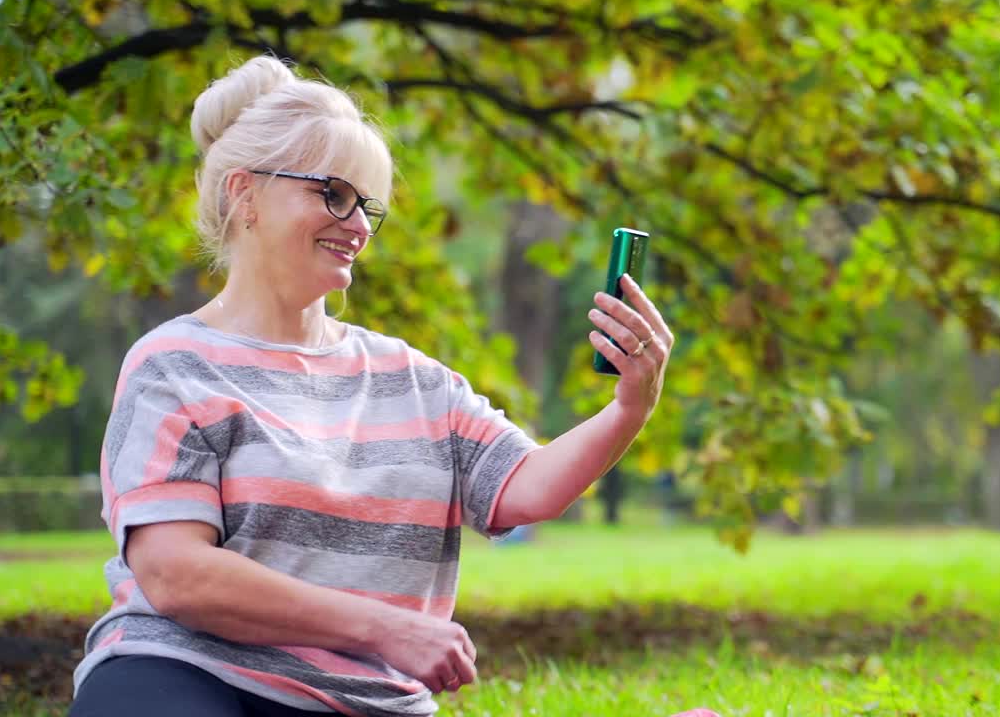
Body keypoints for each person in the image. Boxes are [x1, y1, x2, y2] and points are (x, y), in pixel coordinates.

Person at [68, 55, 708, 717]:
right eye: (333, 194)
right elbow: (177, 576)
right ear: (244, 194)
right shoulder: (173, 366)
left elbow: (530, 486)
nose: (360, 226)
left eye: (367, 204)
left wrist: (629, 408)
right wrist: (381, 626)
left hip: (365, 702)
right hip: (188, 675)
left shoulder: (412, 380)